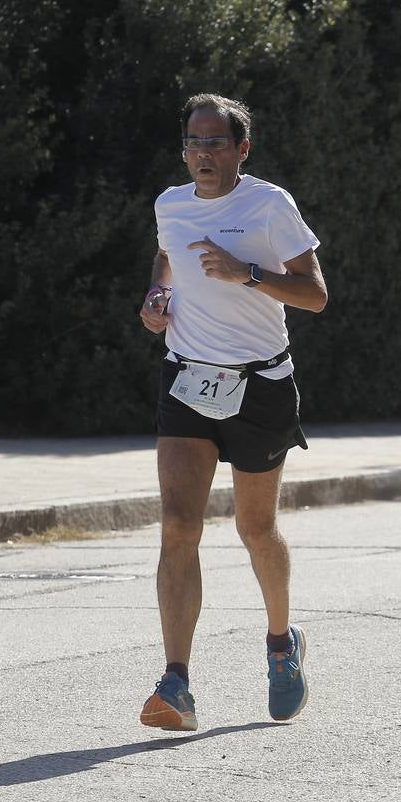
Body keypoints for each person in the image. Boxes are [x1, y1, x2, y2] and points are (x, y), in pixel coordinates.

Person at [136, 93, 327, 731]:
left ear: (242, 150)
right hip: (187, 378)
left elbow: (315, 294)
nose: (203, 154)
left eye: (216, 142)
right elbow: (168, 254)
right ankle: (177, 683)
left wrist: (247, 273)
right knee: (176, 528)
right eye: (194, 142)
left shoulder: (270, 205)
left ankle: (281, 643)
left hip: (260, 385)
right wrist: (159, 292)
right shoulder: (171, 204)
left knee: (254, 529)